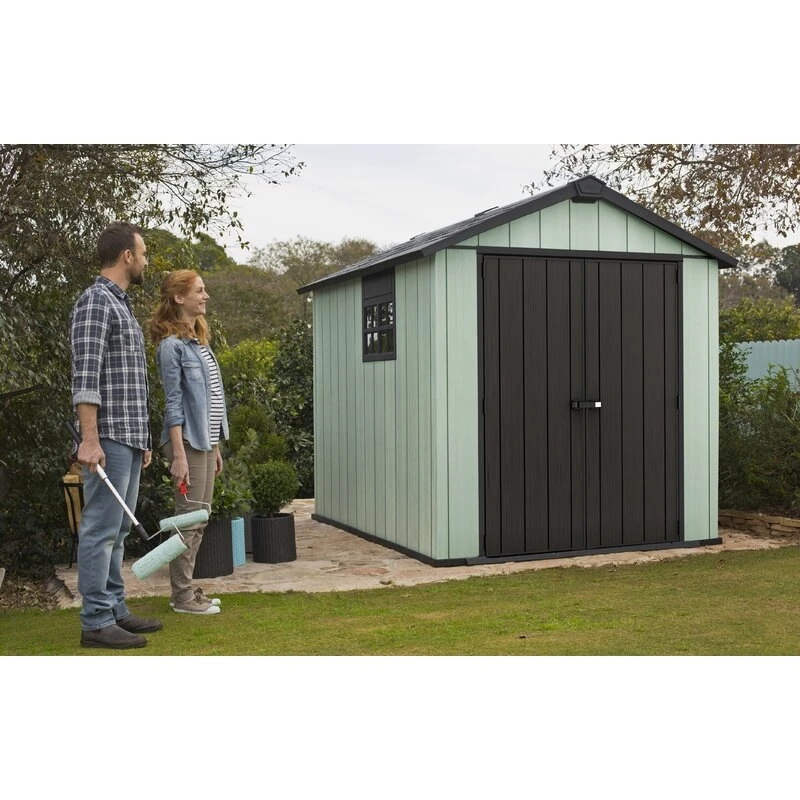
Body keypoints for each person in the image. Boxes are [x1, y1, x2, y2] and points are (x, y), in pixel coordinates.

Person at [70, 221, 163, 649]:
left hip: (127, 437)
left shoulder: (120, 304)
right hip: (105, 439)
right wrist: (89, 440)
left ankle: (115, 610)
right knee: (100, 529)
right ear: (127, 255)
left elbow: (127, 381)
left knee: (119, 531)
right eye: (142, 253)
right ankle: (95, 622)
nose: (145, 261)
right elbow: (86, 377)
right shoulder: (95, 302)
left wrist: (142, 437)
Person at [149, 269, 230, 615]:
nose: (206, 295)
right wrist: (178, 456)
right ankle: (182, 597)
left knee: (199, 520)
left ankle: (184, 592)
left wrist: (215, 446)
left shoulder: (199, 342)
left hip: (203, 443)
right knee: (188, 522)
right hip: (186, 446)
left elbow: (209, 401)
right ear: (179, 298)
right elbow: (173, 405)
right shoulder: (171, 347)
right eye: (199, 290)